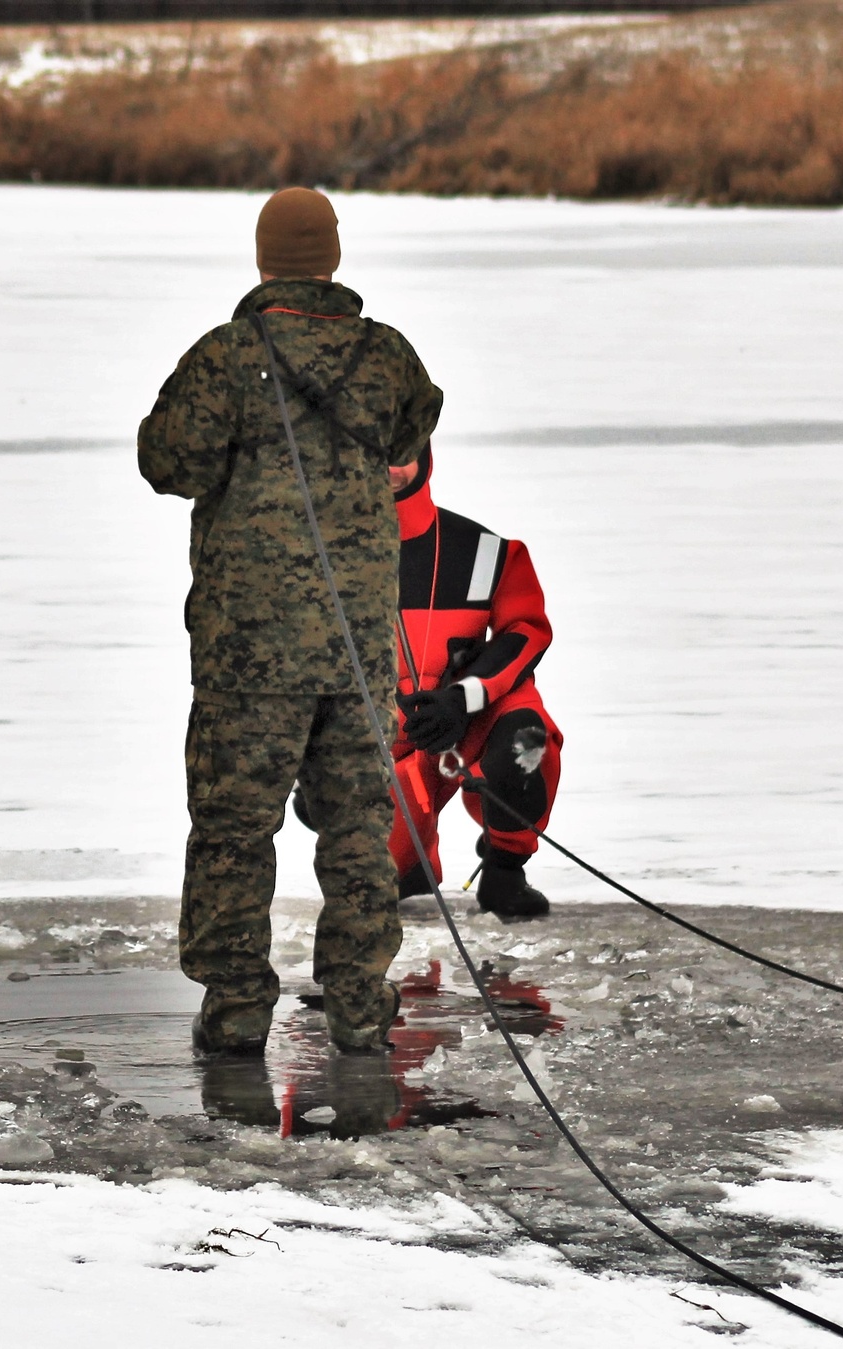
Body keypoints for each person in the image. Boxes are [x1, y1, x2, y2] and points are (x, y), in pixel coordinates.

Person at [137, 188, 443, 1055]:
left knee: (235, 831)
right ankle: (358, 1006)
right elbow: (415, 430)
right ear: (333, 258)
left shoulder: (226, 359)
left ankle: (236, 1009)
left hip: (248, 655)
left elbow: (167, 462)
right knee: (356, 831)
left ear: (265, 258)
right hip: (354, 654)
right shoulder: (386, 357)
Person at [389, 444, 562, 919]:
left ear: (425, 455)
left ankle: (505, 868)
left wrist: (461, 699)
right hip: (383, 746)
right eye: (371, 454)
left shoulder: (484, 551)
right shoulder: (317, 555)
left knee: (527, 738)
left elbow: (526, 631)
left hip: (466, 721)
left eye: (400, 452)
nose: (389, 468)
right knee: (392, 881)